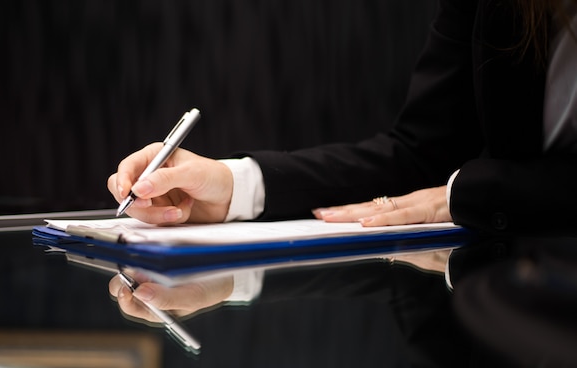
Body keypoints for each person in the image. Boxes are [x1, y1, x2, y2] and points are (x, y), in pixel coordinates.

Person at [108, 0, 577, 311]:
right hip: (502, 327)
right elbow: (420, 156)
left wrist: (464, 193)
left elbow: (447, 187)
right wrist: (233, 188)